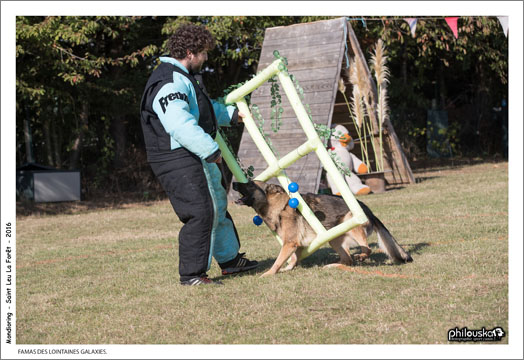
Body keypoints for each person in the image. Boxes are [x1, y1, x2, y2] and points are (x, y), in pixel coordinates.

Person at [139, 23, 258, 286]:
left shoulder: (183, 78)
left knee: (216, 205)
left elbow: (201, 110)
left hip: (188, 153)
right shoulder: (169, 81)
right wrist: (210, 149)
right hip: (175, 156)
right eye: (203, 53)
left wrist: (231, 115)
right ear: (191, 52)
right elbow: (179, 123)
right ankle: (192, 275)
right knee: (201, 211)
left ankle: (229, 261)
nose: (206, 59)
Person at [326, 124, 371, 196]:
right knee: (334, 177)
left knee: (352, 178)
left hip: (348, 171)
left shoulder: (347, 153)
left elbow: (354, 159)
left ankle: (358, 188)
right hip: (335, 170)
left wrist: (360, 166)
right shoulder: (330, 152)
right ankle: (338, 191)